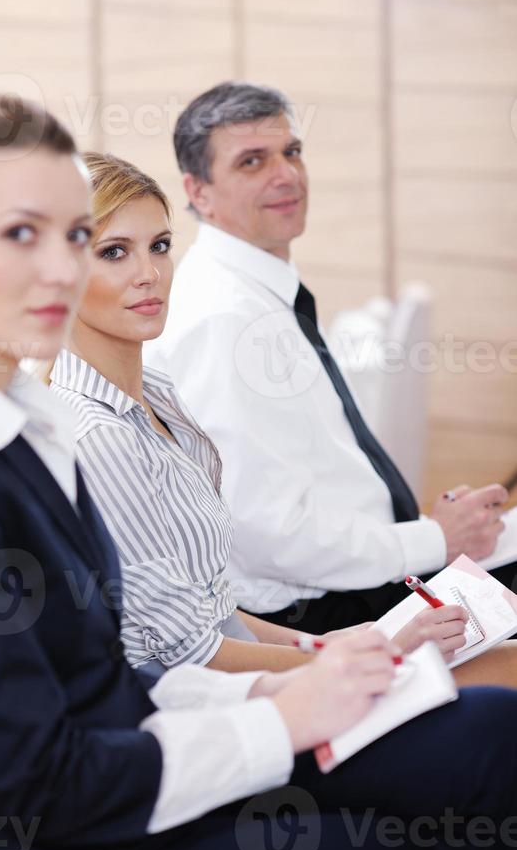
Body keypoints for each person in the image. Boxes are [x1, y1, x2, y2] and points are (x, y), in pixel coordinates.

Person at [0, 95, 517, 850]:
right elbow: (42, 782)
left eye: (74, 236)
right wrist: (282, 717)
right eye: (20, 236)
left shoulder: (12, 419)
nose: (59, 268)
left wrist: (280, 689)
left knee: (489, 732)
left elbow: (113, 672)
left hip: (132, 761)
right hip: (66, 829)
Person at [49, 151, 486, 681]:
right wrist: (372, 655)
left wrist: (326, 645)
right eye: (114, 252)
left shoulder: (157, 395)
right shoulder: (97, 435)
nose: (150, 274)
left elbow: (213, 612)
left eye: (159, 247)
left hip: (264, 668)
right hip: (214, 714)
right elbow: (192, 655)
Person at [144, 80, 515, 634]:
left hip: (373, 574)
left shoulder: (256, 290)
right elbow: (263, 529)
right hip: (333, 614)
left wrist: (432, 527)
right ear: (199, 192)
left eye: (291, 152)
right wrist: (434, 539)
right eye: (253, 161)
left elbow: (317, 480)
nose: (286, 174)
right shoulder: (221, 317)